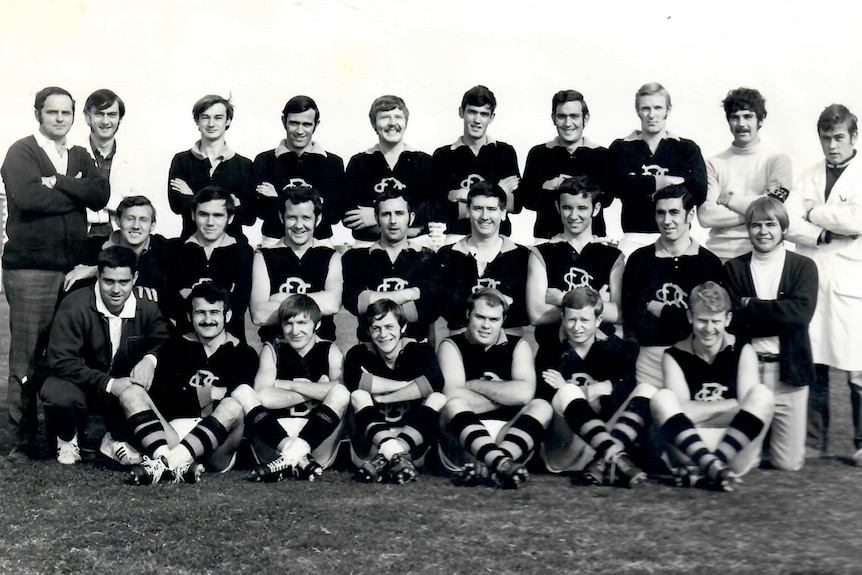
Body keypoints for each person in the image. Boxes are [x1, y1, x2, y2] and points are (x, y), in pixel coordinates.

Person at [2, 86, 109, 459]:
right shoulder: (22, 151)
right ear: (38, 115)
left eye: (66, 113)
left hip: (73, 268)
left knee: (68, 353)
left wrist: (61, 183)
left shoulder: (79, 153)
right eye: (52, 113)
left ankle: (65, 437)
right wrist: (76, 193)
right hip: (31, 270)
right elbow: (29, 198)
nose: (60, 119)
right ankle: (21, 441)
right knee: (27, 358)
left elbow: (100, 194)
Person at [38, 246, 170, 465]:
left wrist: (150, 359)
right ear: (98, 276)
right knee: (58, 394)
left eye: (123, 282)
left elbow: (164, 339)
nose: (116, 290)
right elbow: (62, 360)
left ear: (135, 278)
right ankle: (67, 437)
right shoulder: (75, 304)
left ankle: (117, 438)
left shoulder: (146, 307)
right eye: (109, 281)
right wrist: (109, 383)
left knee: (162, 381)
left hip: (120, 381)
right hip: (77, 380)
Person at [786, 104, 862, 463]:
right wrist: (823, 234)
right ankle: (815, 440)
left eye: (839, 138)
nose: (832, 146)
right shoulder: (810, 174)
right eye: (825, 138)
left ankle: (861, 442)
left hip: (850, 278)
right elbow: (788, 221)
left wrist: (814, 213)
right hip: (815, 273)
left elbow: (858, 221)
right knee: (815, 360)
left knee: (856, 365)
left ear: (853, 137)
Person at [124, 282, 258, 484]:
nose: (207, 320)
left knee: (234, 405)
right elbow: (164, 397)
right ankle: (172, 462)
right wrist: (210, 394)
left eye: (214, 312)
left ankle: (164, 464)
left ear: (227, 316)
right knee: (130, 393)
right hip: (175, 434)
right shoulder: (175, 347)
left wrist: (189, 393)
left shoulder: (244, 353)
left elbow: (240, 402)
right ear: (189, 316)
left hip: (217, 445)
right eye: (200, 313)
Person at [650, 281, 774, 491]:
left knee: (762, 395)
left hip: (734, 445)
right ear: (690, 317)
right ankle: (714, 468)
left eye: (715, 321)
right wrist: (734, 405)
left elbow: (748, 410)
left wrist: (695, 411)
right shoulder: (673, 355)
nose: (709, 329)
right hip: (689, 448)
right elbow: (681, 413)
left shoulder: (743, 350)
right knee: (661, 398)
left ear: (728, 319)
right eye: (702, 321)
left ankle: (710, 467)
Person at [724, 196, 817, 471]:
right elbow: (733, 323)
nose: (763, 231)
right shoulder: (734, 268)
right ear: (748, 229)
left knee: (788, 464)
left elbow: (801, 316)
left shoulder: (803, 266)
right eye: (755, 225)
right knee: (744, 462)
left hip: (789, 372)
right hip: (749, 372)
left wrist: (750, 305)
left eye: (770, 224)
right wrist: (779, 313)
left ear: (783, 229)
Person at [536, 287, 653, 487]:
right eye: (571, 320)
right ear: (563, 318)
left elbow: (625, 391)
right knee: (567, 391)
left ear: (598, 321)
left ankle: (604, 459)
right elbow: (546, 399)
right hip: (565, 448)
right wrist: (597, 390)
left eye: (584, 320)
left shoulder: (616, 349)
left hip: (602, 442)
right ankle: (614, 455)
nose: (577, 327)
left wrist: (581, 392)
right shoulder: (550, 351)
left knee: (648, 390)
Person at [439, 288, 552, 488]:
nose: (486, 326)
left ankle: (497, 464)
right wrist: (504, 394)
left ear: (503, 320)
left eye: (493, 320)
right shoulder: (451, 345)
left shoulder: (518, 345)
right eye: (480, 317)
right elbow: (451, 394)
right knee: (454, 404)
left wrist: (474, 385)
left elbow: (525, 394)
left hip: (508, 436)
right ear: (468, 315)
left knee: (542, 406)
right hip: (463, 438)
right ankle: (501, 465)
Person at [621, 185, 724, 386]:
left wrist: (658, 309)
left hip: (694, 356)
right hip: (649, 360)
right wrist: (684, 316)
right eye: (661, 213)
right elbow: (633, 317)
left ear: (690, 214)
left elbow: (708, 320)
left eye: (674, 212)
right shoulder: (639, 259)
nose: (667, 221)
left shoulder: (708, 262)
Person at [244, 294, 350, 481]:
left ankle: (292, 456)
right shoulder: (273, 349)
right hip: (276, 437)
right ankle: (293, 456)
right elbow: (263, 396)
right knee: (243, 392)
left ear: (316, 325)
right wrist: (315, 389)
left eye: (302, 323)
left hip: (316, 436)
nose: (295, 331)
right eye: (289, 324)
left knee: (341, 392)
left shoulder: (329, 349)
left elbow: (340, 390)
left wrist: (288, 385)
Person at [343, 300, 447, 484]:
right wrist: (410, 384)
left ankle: (389, 456)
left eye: (389, 326)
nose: (383, 334)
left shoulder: (420, 350)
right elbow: (354, 382)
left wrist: (383, 397)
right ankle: (395, 454)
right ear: (368, 331)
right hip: (372, 444)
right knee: (358, 395)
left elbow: (435, 382)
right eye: (376, 328)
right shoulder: (358, 353)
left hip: (412, 440)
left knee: (437, 398)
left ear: (403, 327)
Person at [526, 176, 624, 355]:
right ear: (557, 207)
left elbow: (619, 314)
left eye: (582, 208)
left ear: (596, 209)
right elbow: (536, 313)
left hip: (601, 351)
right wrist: (599, 304)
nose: (573, 216)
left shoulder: (612, 255)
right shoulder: (541, 253)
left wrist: (561, 299)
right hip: (553, 350)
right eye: (567, 207)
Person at [610, 82, 707, 258]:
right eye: (646, 108)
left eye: (658, 108)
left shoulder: (686, 148)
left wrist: (638, 183)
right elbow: (617, 185)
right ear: (637, 110)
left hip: (679, 238)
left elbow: (699, 190)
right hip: (635, 236)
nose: (652, 115)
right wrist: (663, 182)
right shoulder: (621, 147)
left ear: (668, 110)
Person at [697, 87, 793, 261]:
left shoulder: (777, 160)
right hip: (720, 256)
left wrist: (731, 201)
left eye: (748, 116)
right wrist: (759, 210)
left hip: (763, 256)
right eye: (735, 117)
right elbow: (705, 216)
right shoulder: (712, 163)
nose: (741, 124)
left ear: (761, 120)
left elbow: (776, 206)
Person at [520, 89, 621, 240]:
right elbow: (527, 200)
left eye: (574, 116)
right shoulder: (539, 153)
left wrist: (562, 187)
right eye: (561, 116)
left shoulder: (602, 155)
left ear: (585, 119)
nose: (568, 123)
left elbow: (605, 201)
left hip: (592, 237)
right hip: (547, 238)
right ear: (553, 118)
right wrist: (550, 185)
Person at [342, 185, 439, 342]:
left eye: (399, 214)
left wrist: (374, 300)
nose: (393, 221)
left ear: (411, 217)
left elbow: (426, 311)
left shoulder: (427, 257)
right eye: (386, 214)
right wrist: (408, 295)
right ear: (376, 218)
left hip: (416, 346)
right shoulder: (356, 258)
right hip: (372, 348)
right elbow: (356, 305)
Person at [249, 187, 342, 343]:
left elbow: (333, 304)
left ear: (317, 219)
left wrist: (281, 298)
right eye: (292, 217)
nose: (299, 225)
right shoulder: (264, 255)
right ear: (281, 217)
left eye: (306, 218)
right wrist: (317, 302)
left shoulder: (330, 256)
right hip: (276, 347)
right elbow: (259, 314)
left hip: (321, 346)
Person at [437, 182, 530, 334]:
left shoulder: (521, 256)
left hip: (507, 341)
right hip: (462, 340)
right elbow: (447, 310)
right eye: (478, 209)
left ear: (503, 212)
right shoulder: (448, 255)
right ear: (468, 210)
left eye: (492, 209)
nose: (484, 216)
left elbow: (524, 311)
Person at [253, 95, 346, 244]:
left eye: (307, 124)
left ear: (316, 124)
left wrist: (277, 200)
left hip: (320, 240)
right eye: (294, 123)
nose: (299, 131)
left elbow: (333, 215)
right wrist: (316, 203)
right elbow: (261, 211)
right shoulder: (265, 160)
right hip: (274, 240)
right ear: (284, 122)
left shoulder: (332, 163)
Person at [430, 85, 520, 238]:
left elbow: (514, 205)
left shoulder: (504, 152)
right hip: (457, 236)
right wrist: (498, 194)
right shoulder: (443, 155)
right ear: (461, 112)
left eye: (484, 114)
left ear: (491, 118)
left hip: (499, 236)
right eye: (472, 112)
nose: (477, 120)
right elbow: (438, 209)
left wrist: (462, 195)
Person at [167, 186, 254, 341]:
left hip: (230, 341)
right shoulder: (176, 249)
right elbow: (171, 302)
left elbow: (239, 305)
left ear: (230, 218)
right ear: (193, 215)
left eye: (218, 215)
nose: (210, 222)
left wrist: (190, 295)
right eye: (203, 214)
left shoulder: (242, 252)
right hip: (185, 340)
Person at [343, 95, 432, 243]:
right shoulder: (359, 162)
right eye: (384, 117)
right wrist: (407, 228)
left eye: (398, 117)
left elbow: (431, 209)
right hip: (368, 245)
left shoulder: (423, 161)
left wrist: (375, 216)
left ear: (406, 123)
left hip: (415, 244)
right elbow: (349, 214)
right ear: (374, 124)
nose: (392, 123)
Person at [168, 94, 255, 240]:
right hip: (191, 243)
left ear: (228, 121)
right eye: (205, 117)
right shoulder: (181, 160)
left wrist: (192, 197)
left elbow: (249, 217)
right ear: (197, 121)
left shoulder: (244, 165)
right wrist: (231, 204)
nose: (211, 123)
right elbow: (176, 205)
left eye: (218, 117)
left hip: (233, 245)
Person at [63, 195, 172, 305]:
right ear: (118, 221)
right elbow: (75, 286)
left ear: (152, 225)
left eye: (143, 220)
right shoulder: (93, 247)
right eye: (130, 219)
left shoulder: (164, 248)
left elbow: (170, 286)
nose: (136, 226)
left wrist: (96, 270)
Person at [83, 88, 142, 236]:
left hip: (120, 236)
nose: (105, 121)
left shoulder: (134, 158)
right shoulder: (70, 153)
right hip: (80, 233)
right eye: (99, 114)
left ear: (120, 119)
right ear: (87, 117)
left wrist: (91, 197)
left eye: (112, 115)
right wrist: (117, 200)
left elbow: (139, 205)